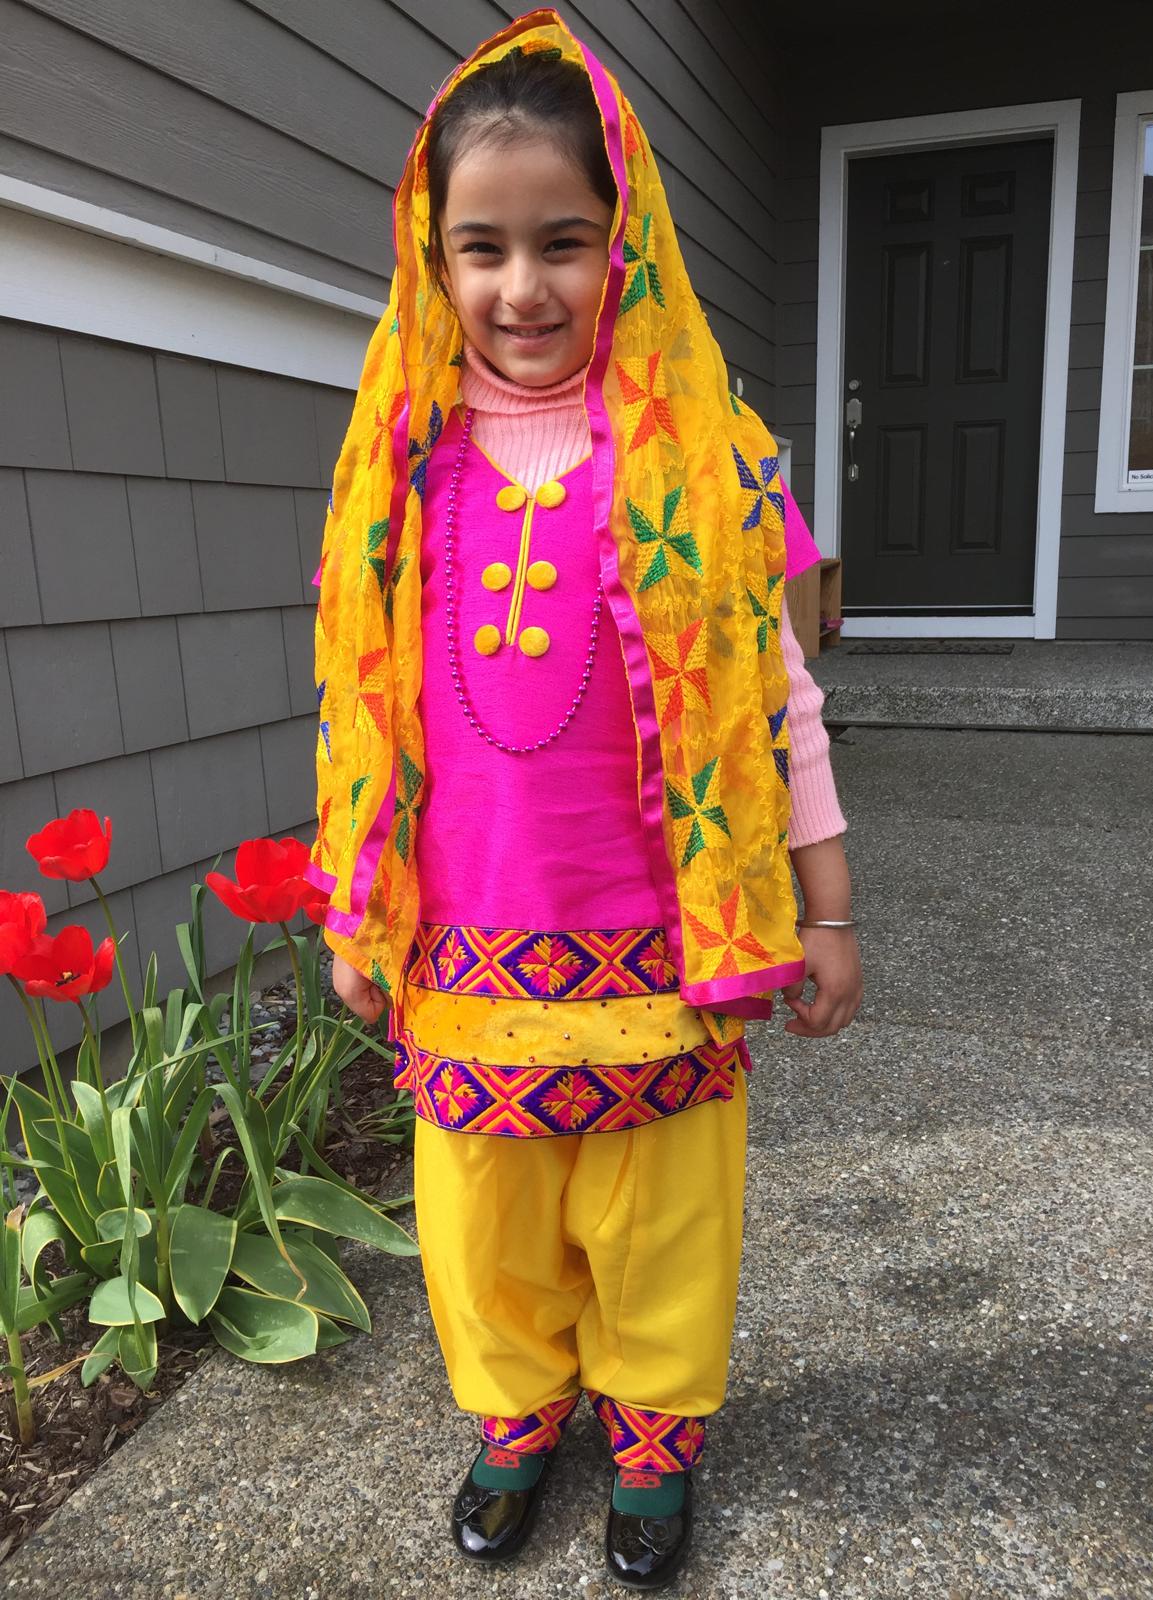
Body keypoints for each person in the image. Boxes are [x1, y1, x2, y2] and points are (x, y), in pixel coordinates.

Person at [306, 10, 862, 1590]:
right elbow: (357, 704)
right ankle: (515, 1413)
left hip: (662, 947)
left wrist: (827, 909)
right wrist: (355, 912)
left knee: (659, 1216)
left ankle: (656, 1436)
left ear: (628, 242)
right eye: (480, 248)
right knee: (482, 1216)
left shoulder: (709, 463)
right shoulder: (400, 472)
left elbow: (779, 706)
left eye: (563, 241)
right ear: (431, 258)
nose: (522, 287)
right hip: (466, 949)